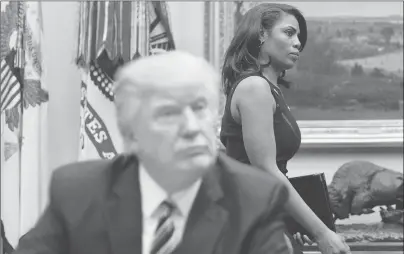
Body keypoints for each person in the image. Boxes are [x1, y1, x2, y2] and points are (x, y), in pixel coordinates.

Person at [14, 51, 292, 254]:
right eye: (169, 113)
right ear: (132, 134)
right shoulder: (79, 192)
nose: (192, 128)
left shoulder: (255, 199)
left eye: (198, 108)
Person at [220, 3, 351, 254]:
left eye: (299, 36)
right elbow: (265, 169)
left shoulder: (269, 89)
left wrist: (293, 220)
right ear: (261, 35)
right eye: (289, 33)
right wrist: (321, 232)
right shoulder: (254, 88)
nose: (298, 43)